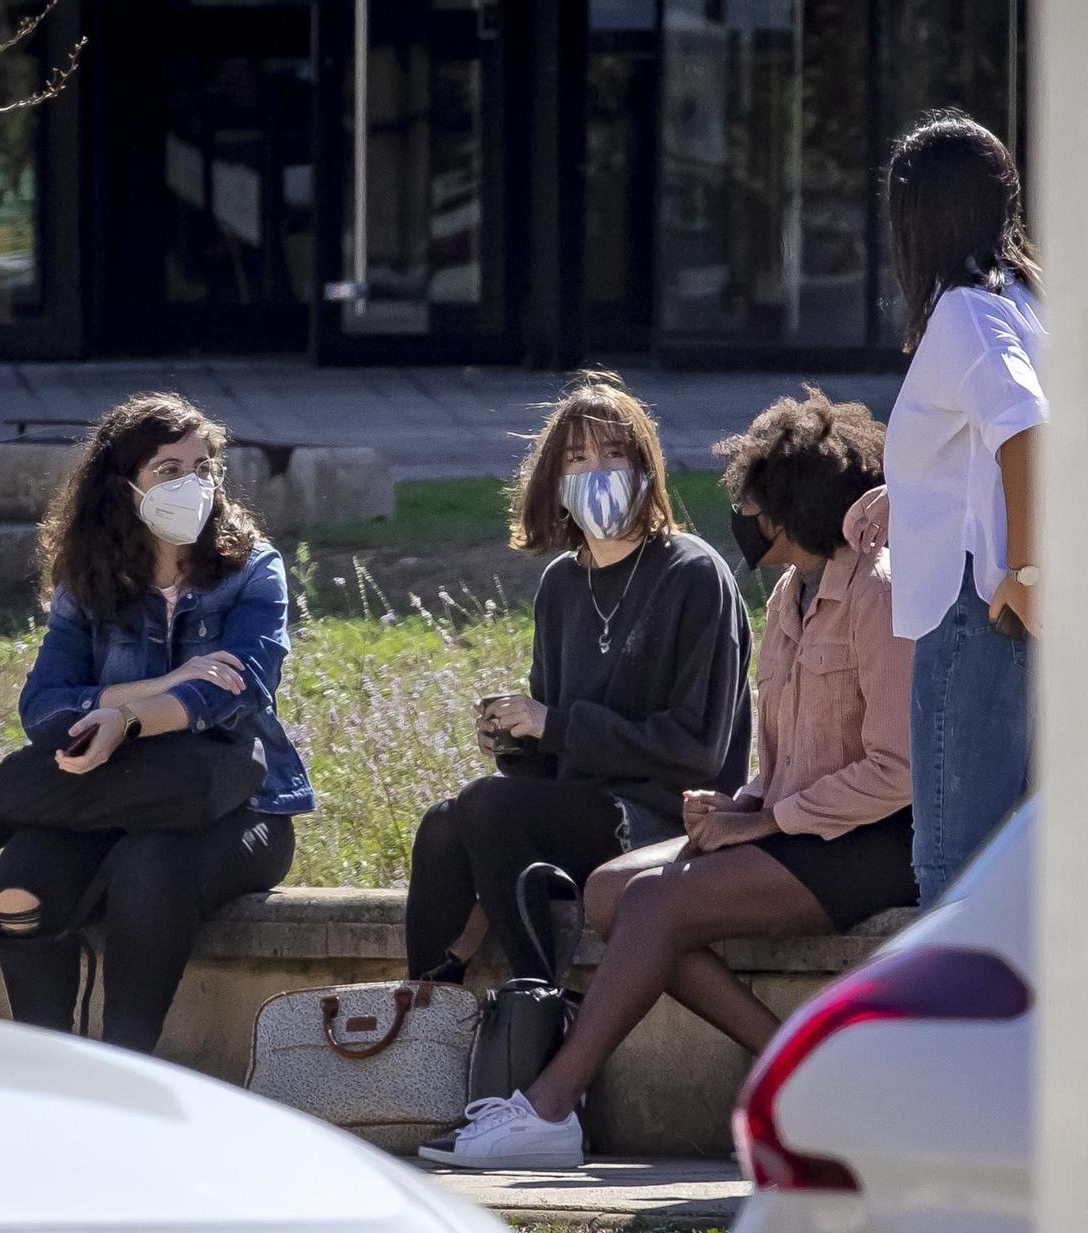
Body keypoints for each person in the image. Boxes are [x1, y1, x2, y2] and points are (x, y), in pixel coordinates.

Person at [420, 387, 914, 1171]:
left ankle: (550, 1106)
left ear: (789, 507)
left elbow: (897, 771)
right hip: (794, 827)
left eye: (753, 496)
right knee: (613, 892)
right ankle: (802, 1063)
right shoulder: (791, 595)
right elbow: (788, 757)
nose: (741, 511)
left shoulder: (879, 591)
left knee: (654, 900)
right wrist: (743, 802)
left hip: (868, 842)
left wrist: (768, 822)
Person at [403, 371, 752, 986]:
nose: (597, 472)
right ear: (554, 479)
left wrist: (555, 725)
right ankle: (429, 1019)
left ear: (646, 467)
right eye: (578, 458)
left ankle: (538, 1004)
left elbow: (698, 751)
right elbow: (558, 757)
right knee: (444, 824)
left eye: (614, 454)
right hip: (580, 806)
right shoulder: (562, 583)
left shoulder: (696, 574)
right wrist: (517, 743)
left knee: (485, 808)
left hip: (663, 818)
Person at [0, 392, 314, 1054]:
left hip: (238, 804)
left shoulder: (254, 570)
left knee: (149, 867)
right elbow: (43, 707)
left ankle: (123, 1069)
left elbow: (234, 691)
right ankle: (47, 1074)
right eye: (170, 469)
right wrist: (158, 687)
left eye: (204, 466)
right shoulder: (88, 581)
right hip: (114, 797)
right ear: (125, 486)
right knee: (19, 883)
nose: (194, 484)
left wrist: (125, 718)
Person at [881, 109, 1048, 905]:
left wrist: (1026, 570)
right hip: (1005, 616)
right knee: (1005, 885)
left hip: (972, 616)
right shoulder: (1021, 301)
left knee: (952, 883)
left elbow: (1024, 428)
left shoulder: (965, 313)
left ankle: (950, 1034)